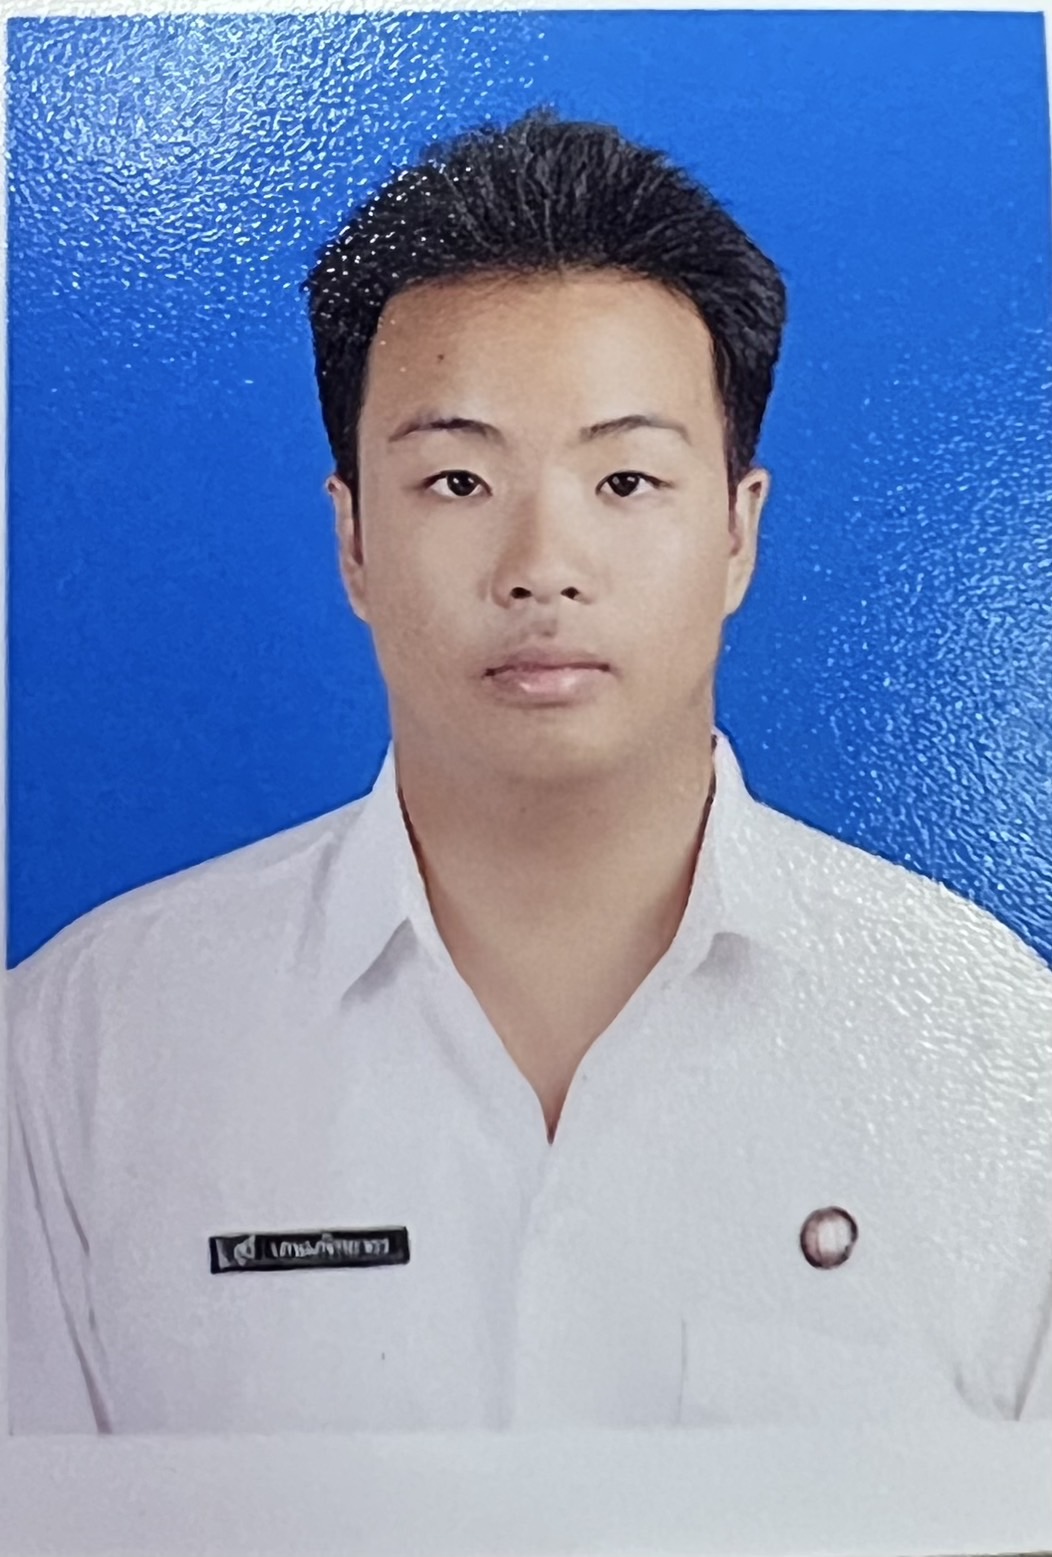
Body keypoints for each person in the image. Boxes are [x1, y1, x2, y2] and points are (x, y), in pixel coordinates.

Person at [7, 107, 1051, 1435]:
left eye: (625, 482)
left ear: (738, 535)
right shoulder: (82, 1055)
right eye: (457, 481)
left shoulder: (996, 1052)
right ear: (353, 541)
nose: (541, 566)